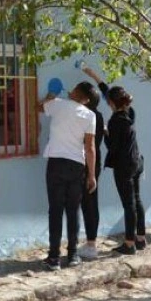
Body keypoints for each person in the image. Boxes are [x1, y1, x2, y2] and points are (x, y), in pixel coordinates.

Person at [38, 82, 97, 271]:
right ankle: (72, 255)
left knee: (55, 210)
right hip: (76, 166)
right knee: (73, 210)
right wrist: (92, 175)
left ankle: (54, 257)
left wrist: (49, 96)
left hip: (56, 163)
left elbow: (37, 107)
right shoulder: (90, 115)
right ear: (86, 99)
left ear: (74, 92)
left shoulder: (57, 104)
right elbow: (90, 148)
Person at [104, 86, 146, 255]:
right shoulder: (129, 114)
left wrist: (105, 133)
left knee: (128, 205)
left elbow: (112, 148)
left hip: (123, 166)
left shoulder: (115, 121)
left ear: (111, 102)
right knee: (137, 200)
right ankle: (140, 238)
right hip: (136, 161)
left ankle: (129, 243)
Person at [78, 88, 104, 260]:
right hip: (93, 162)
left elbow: (88, 146)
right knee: (90, 203)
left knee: (88, 204)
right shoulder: (98, 116)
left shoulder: (87, 117)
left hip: (88, 163)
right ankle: (90, 242)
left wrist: (90, 174)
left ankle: (91, 244)